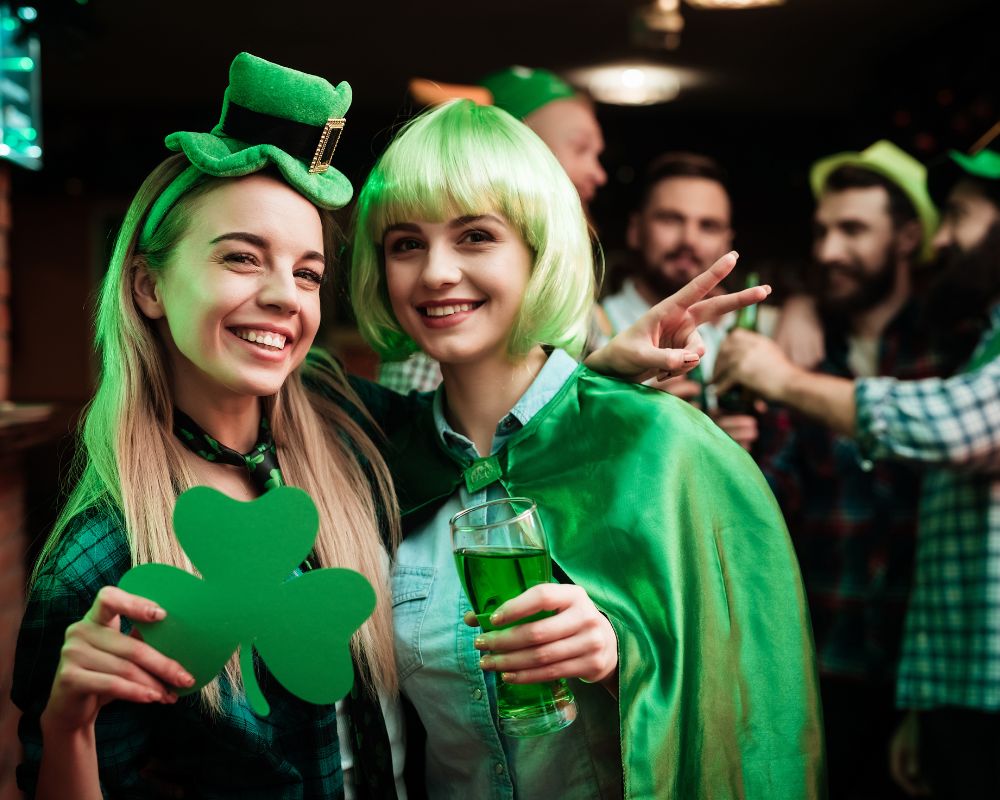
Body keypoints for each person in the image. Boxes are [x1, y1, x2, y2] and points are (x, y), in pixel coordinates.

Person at [349, 99, 824, 799]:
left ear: (539, 250)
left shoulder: (661, 446)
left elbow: (756, 700)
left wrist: (622, 658)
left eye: (476, 236)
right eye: (405, 243)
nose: (436, 272)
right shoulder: (379, 465)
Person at [11, 52, 407, 799]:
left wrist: (600, 372)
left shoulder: (350, 434)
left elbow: (488, 435)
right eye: (241, 258)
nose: (285, 297)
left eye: (309, 272)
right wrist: (70, 726)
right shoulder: (102, 555)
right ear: (150, 285)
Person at [714, 142, 1000, 799]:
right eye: (820, 231)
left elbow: (952, 427)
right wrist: (740, 452)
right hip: (823, 667)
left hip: (931, 664)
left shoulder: (955, 344)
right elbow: (772, 508)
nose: (828, 251)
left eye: (852, 230)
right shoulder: (802, 345)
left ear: (908, 238)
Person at [379, 66, 607, 394]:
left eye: (475, 237)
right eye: (580, 149)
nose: (598, 174)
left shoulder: (582, 310)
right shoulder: (439, 331)